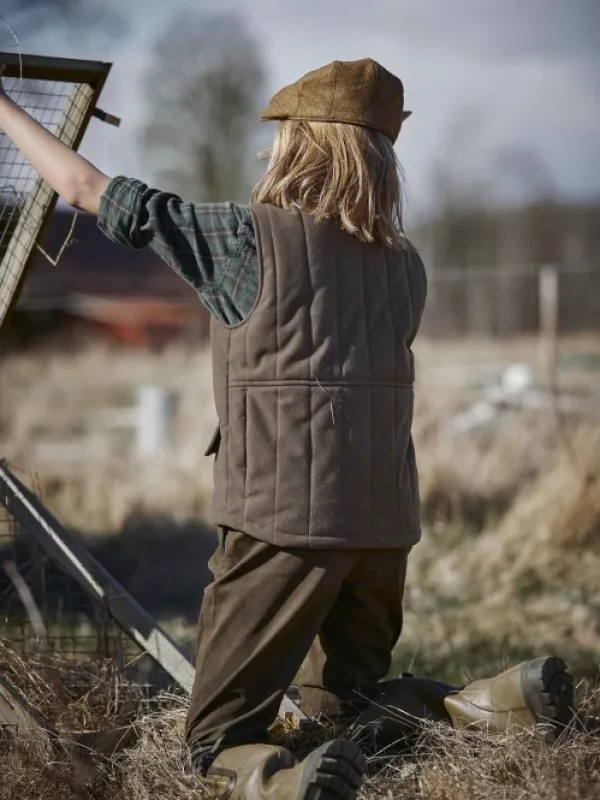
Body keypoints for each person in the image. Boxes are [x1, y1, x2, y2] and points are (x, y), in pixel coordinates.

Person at [0, 58, 575, 800]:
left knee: (211, 742)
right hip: (385, 527)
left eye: (280, 138)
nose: (268, 152)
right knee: (349, 709)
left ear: (306, 144)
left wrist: (7, 109)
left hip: (281, 526)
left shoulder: (242, 240)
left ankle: (271, 784)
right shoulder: (406, 265)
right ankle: (493, 707)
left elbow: (85, 189)